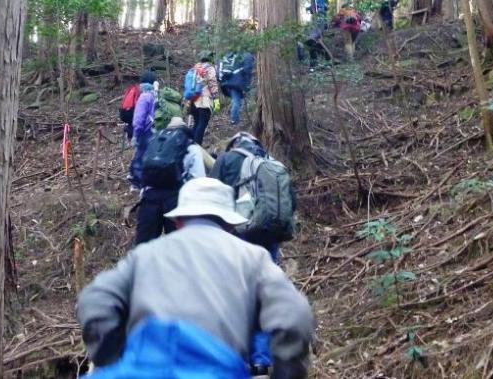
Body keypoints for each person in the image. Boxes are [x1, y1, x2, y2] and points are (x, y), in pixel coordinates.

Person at [77, 177, 315, 378]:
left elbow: (95, 300)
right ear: (230, 224)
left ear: (178, 221)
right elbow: (294, 316)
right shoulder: (253, 258)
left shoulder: (144, 255)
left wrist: (111, 357)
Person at [210, 132, 296, 374]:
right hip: (267, 238)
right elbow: (291, 202)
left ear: (234, 144)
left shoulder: (225, 160)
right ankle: (261, 360)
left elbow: (212, 198)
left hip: (236, 235)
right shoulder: (270, 163)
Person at [134, 116, 204, 245]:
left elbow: (141, 169)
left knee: (143, 246)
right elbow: (198, 180)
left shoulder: (155, 142)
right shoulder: (190, 146)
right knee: (177, 248)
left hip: (149, 197)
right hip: (175, 198)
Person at [128, 71, 157, 188]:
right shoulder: (156, 95)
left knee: (140, 155)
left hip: (144, 131)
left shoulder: (144, 97)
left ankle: (137, 182)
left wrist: (136, 134)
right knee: (147, 155)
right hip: (154, 130)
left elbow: (139, 118)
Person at [186, 51, 221, 145]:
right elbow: (212, 83)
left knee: (196, 124)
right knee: (202, 124)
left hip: (193, 101)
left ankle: (190, 147)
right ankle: (196, 147)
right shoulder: (209, 68)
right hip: (204, 101)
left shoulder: (194, 68)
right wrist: (216, 99)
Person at [218, 50, 255, 125]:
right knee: (236, 101)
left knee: (236, 100)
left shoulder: (231, 55)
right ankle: (234, 120)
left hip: (226, 82)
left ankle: (235, 118)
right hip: (236, 82)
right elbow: (247, 70)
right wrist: (246, 85)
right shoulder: (247, 55)